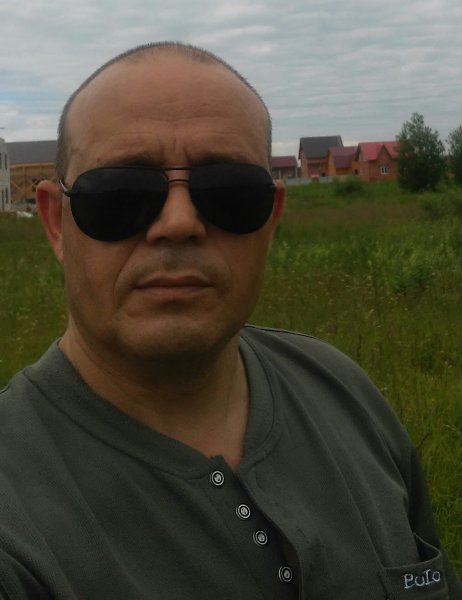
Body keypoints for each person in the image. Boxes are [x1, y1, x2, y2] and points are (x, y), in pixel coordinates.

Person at [0, 41, 460, 600]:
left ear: (271, 219)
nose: (178, 222)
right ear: (56, 222)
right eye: (120, 192)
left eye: (229, 192)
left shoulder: (343, 392)